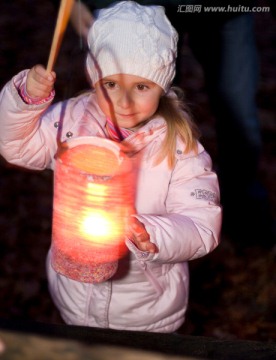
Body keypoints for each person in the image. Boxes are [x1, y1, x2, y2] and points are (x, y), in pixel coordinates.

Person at [0, 1, 221, 333]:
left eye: (141, 87)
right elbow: (15, 146)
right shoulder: (70, 121)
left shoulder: (179, 148)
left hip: (146, 312)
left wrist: (152, 234)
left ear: (161, 87)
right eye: (112, 85)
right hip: (74, 296)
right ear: (95, 79)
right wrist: (25, 100)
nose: (124, 101)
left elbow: (202, 225)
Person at [66, 0, 275, 247]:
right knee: (138, 119)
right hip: (136, 11)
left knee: (238, 114)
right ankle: (140, 227)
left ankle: (242, 213)